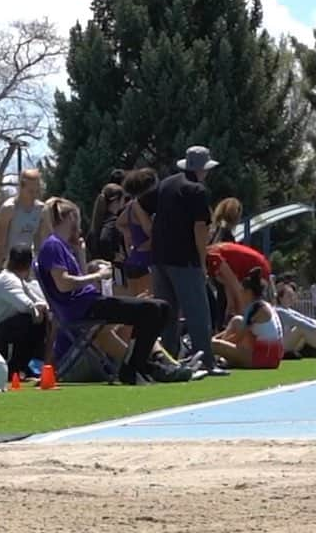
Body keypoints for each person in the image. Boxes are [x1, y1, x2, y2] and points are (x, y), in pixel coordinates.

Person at [36, 197, 171, 384]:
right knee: (153, 310)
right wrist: (98, 276)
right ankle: (135, 367)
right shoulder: (53, 245)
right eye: (76, 218)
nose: (79, 224)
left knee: (161, 308)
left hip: (87, 303)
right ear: (68, 218)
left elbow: (76, 281)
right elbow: (64, 284)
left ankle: (136, 365)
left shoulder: (63, 246)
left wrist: (81, 254)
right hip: (83, 308)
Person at [142, 146, 229, 375]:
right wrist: (202, 261)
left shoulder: (166, 184)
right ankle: (206, 362)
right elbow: (200, 228)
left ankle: (169, 363)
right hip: (184, 259)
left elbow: (138, 206)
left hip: (160, 258)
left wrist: (152, 232)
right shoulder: (197, 191)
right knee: (198, 312)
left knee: (167, 313)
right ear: (203, 169)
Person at [0, 244, 49, 378]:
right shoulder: (9, 280)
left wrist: (44, 307)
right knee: (29, 321)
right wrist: (39, 310)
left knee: (33, 319)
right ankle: (16, 368)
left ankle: (18, 367)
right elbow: (25, 306)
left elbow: (34, 297)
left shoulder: (13, 278)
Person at [211, 268, 283, 369]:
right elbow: (241, 329)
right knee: (237, 320)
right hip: (273, 359)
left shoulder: (253, 309)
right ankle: (224, 359)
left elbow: (238, 338)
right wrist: (216, 337)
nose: (240, 294)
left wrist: (217, 344)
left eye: (242, 291)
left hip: (262, 360)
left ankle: (217, 359)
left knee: (214, 345)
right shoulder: (264, 305)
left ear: (248, 292)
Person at [0, 169, 48, 271]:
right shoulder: (9, 208)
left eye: (37, 191)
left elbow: (39, 241)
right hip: (10, 264)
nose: (34, 195)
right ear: (22, 187)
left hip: (29, 264)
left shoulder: (41, 209)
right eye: (31, 191)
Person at [206, 241, 272, 325]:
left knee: (250, 310)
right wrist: (230, 307)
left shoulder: (211, 257)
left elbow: (236, 287)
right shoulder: (212, 258)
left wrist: (241, 316)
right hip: (250, 269)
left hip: (257, 268)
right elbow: (228, 284)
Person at [116, 168, 158, 298]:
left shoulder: (130, 206)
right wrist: (149, 242)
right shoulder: (139, 206)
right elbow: (151, 231)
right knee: (150, 304)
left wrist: (128, 234)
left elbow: (119, 223)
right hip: (146, 261)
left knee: (137, 305)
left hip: (134, 259)